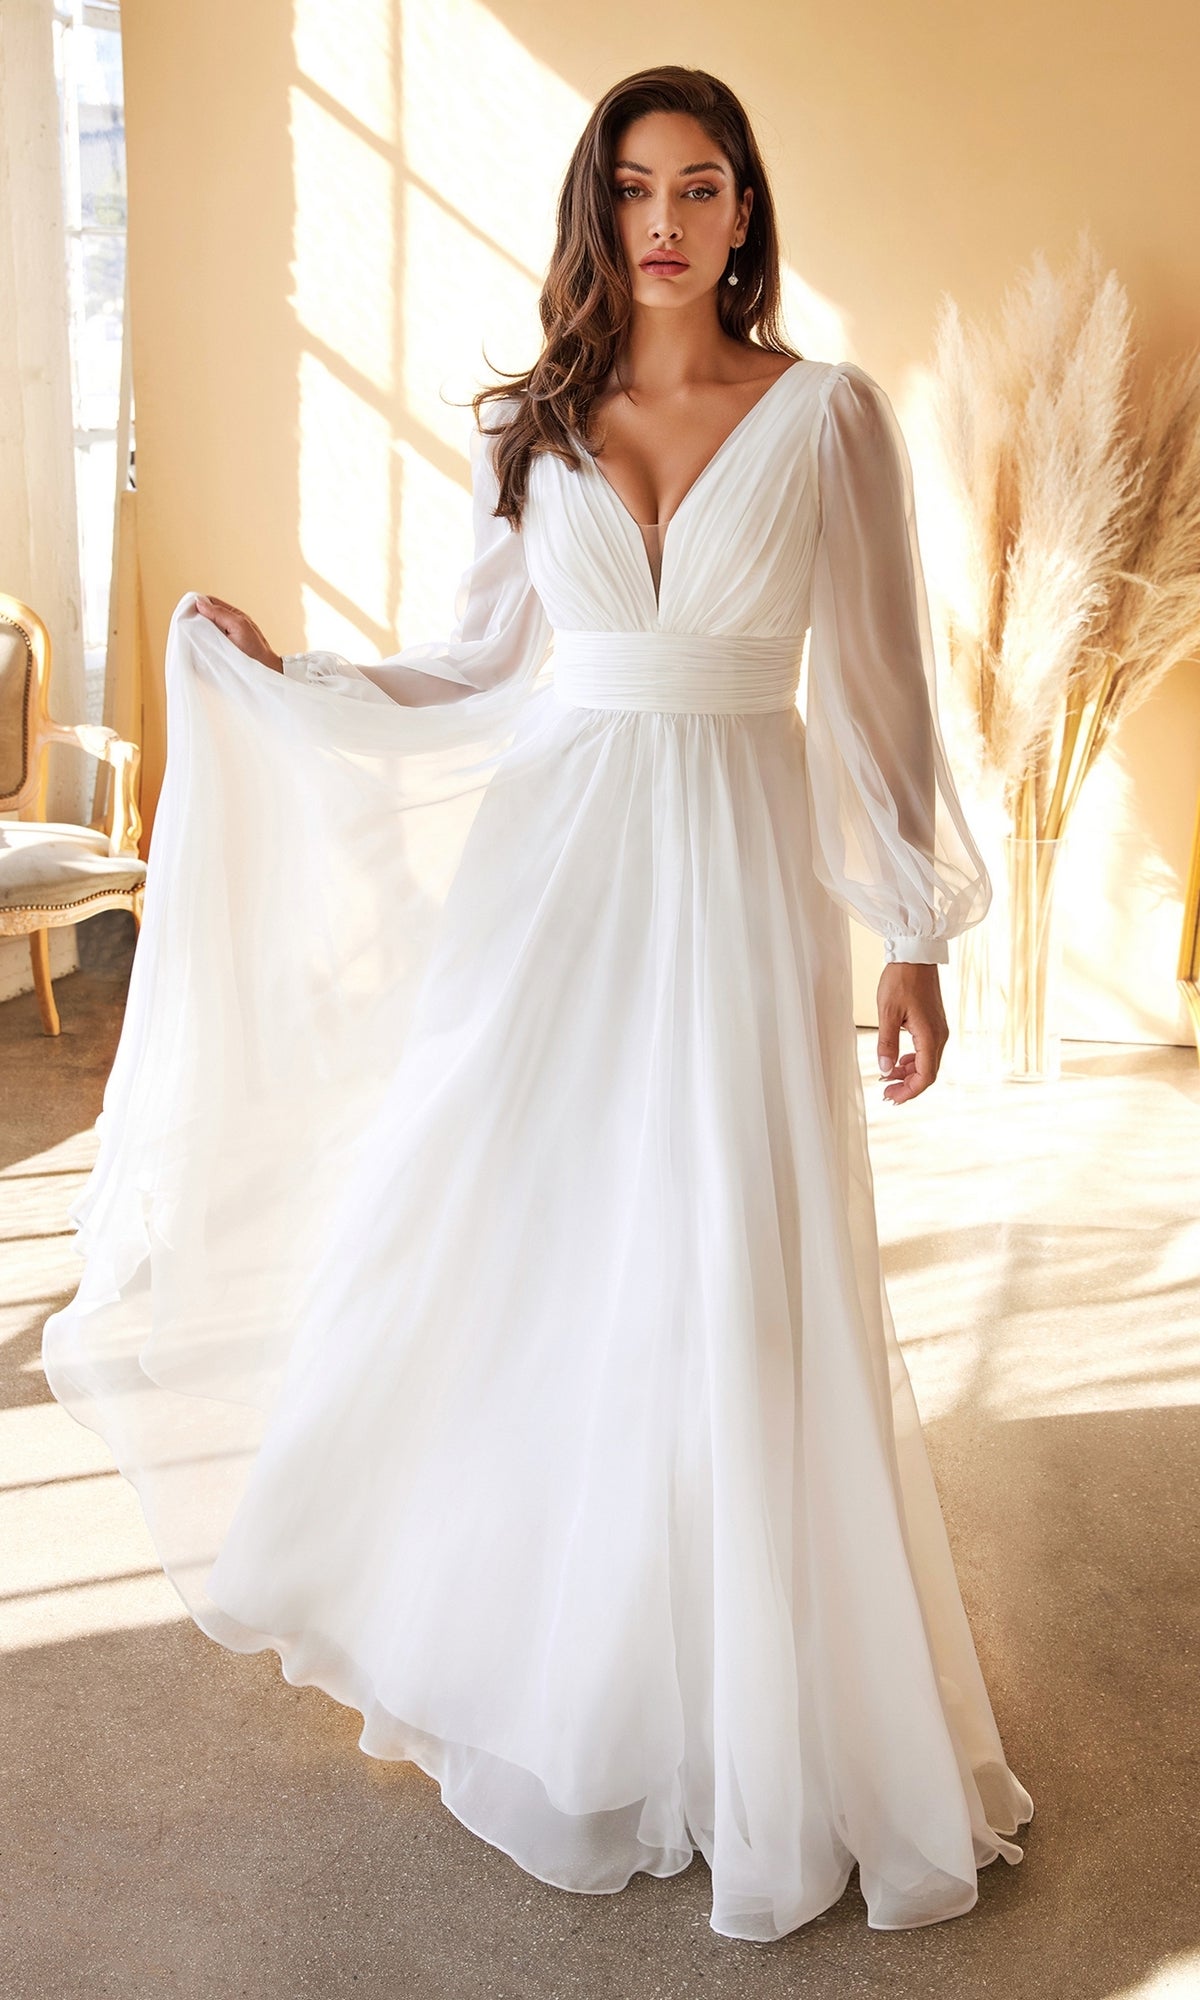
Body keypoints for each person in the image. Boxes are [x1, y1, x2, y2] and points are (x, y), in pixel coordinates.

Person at [43, 63, 1033, 1945]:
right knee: (543, 1242)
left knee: (738, 1256)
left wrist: (909, 931)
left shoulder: (829, 418)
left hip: (739, 887)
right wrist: (291, 671)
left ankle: (754, 1705)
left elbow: (886, 698)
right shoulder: (542, 425)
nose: (669, 222)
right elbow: (470, 663)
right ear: (601, 212)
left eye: (706, 188)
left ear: (748, 215)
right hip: (556, 882)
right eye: (638, 188)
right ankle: (561, 1668)